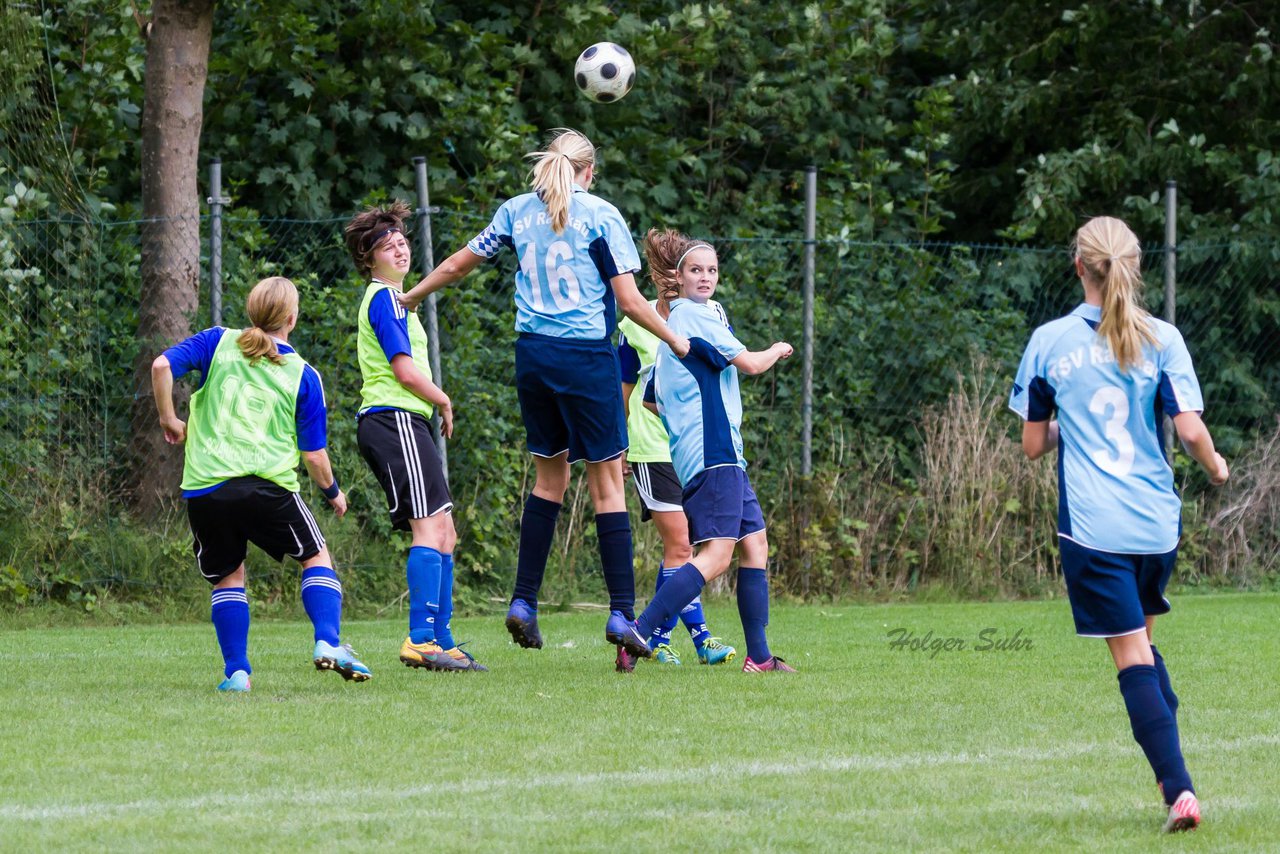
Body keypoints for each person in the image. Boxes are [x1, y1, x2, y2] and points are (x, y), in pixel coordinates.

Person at [398, 129, 690, 670]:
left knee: (548, 480)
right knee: (606, 485)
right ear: (588, 172)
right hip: (585, 358)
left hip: (533, 357)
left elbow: (462, 262)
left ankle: (523, 601)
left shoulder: (516, 212)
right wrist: (674, 336)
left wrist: (413, 294)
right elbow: (627, 300)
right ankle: (622, 613)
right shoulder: (601, 215)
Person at [1009, 215, 1229, 833]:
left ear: (1079, 266)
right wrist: (1216, 466)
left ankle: (1179, 790)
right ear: (1134, 266)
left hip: (1094, 527)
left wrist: (1068, 425)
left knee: (1131, 658)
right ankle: (1170, 771)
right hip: (1158, 523)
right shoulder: (1164, 337)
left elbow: (1032, 445)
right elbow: (1188, 430)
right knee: (1147, 651)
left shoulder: (1050, 341)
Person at [151, 276, 370, 692]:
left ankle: (237, 674)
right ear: (291, 318)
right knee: (316, 557)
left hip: (206, 488)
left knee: (228, 577)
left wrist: (169, 419)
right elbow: (314, 456)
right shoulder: (303, 374)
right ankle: (328, 641)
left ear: (252, 311)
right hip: (266, 486)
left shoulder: (217, 341)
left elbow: (161, 366)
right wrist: (333, 493)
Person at [615, 234, 797, 673]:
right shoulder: (696, 316)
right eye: (696, 269)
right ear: (677, 278)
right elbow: (751, 364)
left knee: (755, 544)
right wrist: (777, 348)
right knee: (715, 556)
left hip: (715, 454)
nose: (706, 277)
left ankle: (759, 657)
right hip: (715, 454)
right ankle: (639, 631)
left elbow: (651, 401)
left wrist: (686, 427)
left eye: (712, 270)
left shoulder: (670, 332)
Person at [344, 201, 483, 673]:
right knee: (429, 528)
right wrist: (442, 399)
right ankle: (421, 639)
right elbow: (403, 372)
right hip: (393, 418)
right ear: (369, 260)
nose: (400, 250)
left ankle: (441, 639)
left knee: (445, 530)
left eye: (402, 242)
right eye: (387, 246)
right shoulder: (383, 298)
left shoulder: (400, 301)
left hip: (407, 421)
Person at [616, 228, 738, 667]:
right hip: (651, 448)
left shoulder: (707, 315)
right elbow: (625, 389)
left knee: (690, 550)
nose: (692, 277)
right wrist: (621, 445)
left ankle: (652, 638)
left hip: (696, 450)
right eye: (684, 269)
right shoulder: (636, 321)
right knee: (684, 548)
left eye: (708, 269)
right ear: (663, 274)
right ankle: (680, 638)